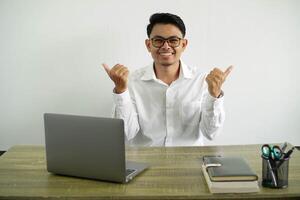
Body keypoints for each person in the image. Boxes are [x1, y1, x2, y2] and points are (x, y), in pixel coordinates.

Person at [102, 13, 233, 146]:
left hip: (189, 161)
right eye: (158, 40)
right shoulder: (130, 81)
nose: (166, 46)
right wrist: (121, 91)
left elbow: (211, 134)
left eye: (173, 40)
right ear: (148, 45)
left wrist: (214, 95)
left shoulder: (202, 80)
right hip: (146, 162)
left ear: (183, 44)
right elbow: (126, 134)